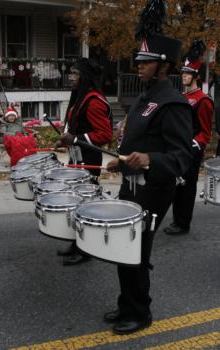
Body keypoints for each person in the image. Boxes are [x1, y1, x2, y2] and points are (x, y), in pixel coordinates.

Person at [105, 0, 193, 335]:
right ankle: (126, 302)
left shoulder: (173, 103)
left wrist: (151, 160)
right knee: (122, 248)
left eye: (145, 63)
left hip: (155, 189)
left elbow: (182, 157)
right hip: (133, 184)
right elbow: (137, 141)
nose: (137, 66)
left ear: (163, 66)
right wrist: (122, 160)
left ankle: (140, 311)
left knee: (136, 250)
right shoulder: (144, 98)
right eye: (138, 61)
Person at [55, 57, 113, 265]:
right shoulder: (80, 96)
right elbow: (75, 127)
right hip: (77, 156)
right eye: (71, 73)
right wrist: (65, 142)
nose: (71, 77)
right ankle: (76, 243)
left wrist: (76, 139)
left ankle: (86, 249)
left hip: (89, 158)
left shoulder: (94, 100)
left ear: (85, 77)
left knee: (85, 205)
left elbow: (105, 135)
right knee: (76, 202)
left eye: (76, 74)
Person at [164, 40, 214, 235]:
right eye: (183, 73)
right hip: (178, 150)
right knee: (177, 185)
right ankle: (177, 220)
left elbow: (205, 133)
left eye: (187, 73)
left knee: (187, 187)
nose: (183, 76)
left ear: (196, 76)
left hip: (191, 151)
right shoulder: (181, 97)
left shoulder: (203, 101)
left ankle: (183, 223)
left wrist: (191, 146)